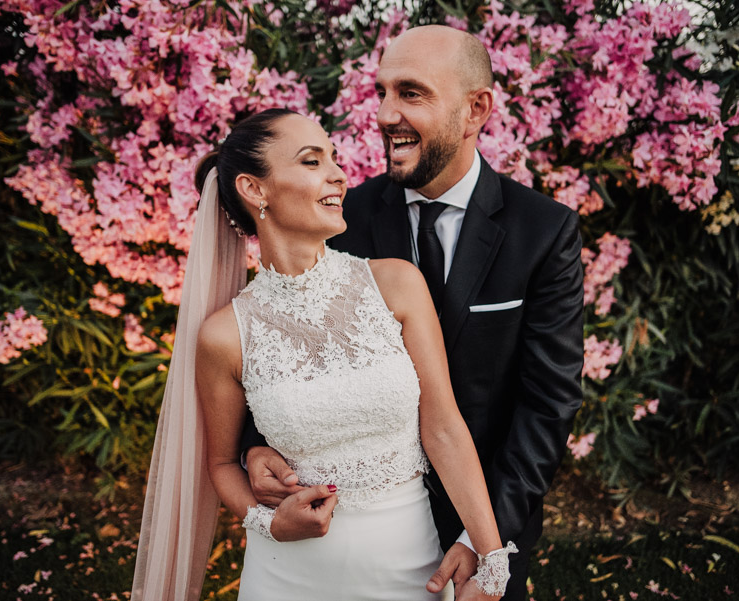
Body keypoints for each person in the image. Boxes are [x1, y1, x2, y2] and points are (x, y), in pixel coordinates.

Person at [245, 26, 584, 601]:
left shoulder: (543, 231)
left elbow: (548, 401)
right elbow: (275, 343)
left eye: (411, 93)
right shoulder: (338, 218)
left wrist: (488, 539)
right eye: (381, 92)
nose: (384, 113)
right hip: (349, 533)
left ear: (476, 109)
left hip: (485, 525)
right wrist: (254, 448)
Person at [131, 107, 518, 601]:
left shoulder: (396, 284)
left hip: (410, 571)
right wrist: (268, 523)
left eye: (334, 158)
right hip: (284, 579)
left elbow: (443, 426)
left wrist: (491, 562)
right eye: (312, 161)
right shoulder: (224, 336)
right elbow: (223, 465)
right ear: (255, 190)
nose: (339, 174)